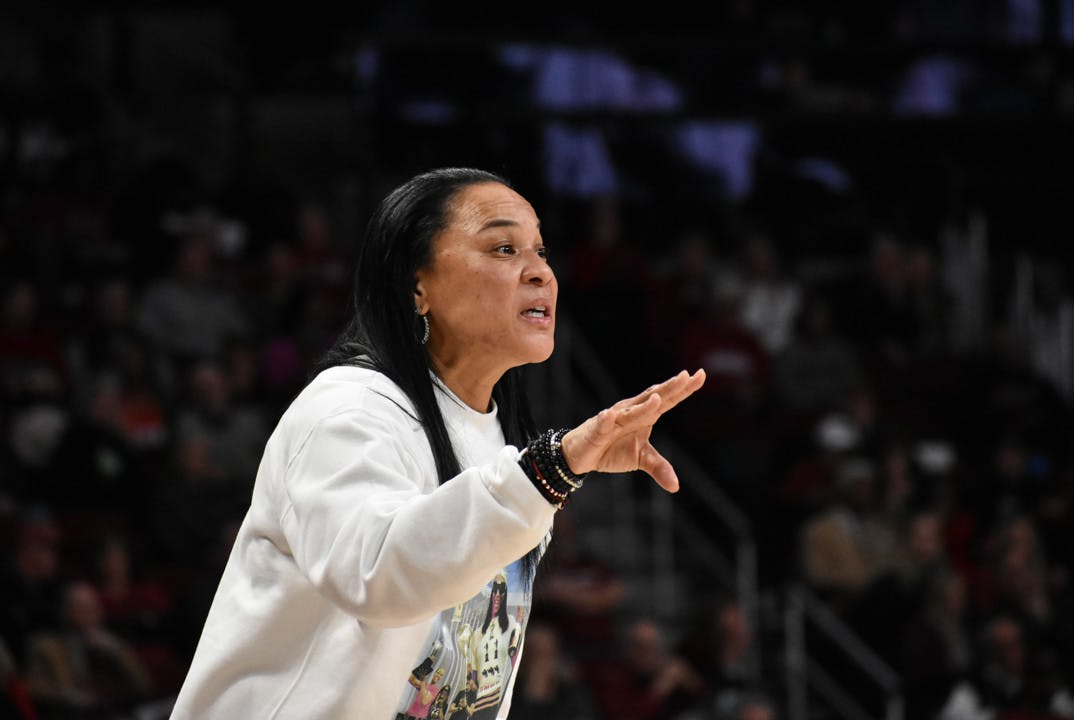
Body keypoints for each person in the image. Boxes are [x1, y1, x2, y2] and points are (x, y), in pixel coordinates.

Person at [170, 167, 706, 719]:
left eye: (540, 251)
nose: (541, 273)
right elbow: (379, 576)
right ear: (417, 285)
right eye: (503, 248)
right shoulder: (347, 411)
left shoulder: (497, 436)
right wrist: (551, 468)